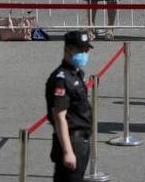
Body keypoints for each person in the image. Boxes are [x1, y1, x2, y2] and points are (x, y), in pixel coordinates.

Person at [46, 31, 93, 182]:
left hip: (81, 140)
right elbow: (60, 118)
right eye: (81, 50)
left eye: (86, 50)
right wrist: (68, 151)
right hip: (71, 141)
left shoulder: (76, 74)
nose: (85, 54)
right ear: (68, 50)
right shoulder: (61, 79)